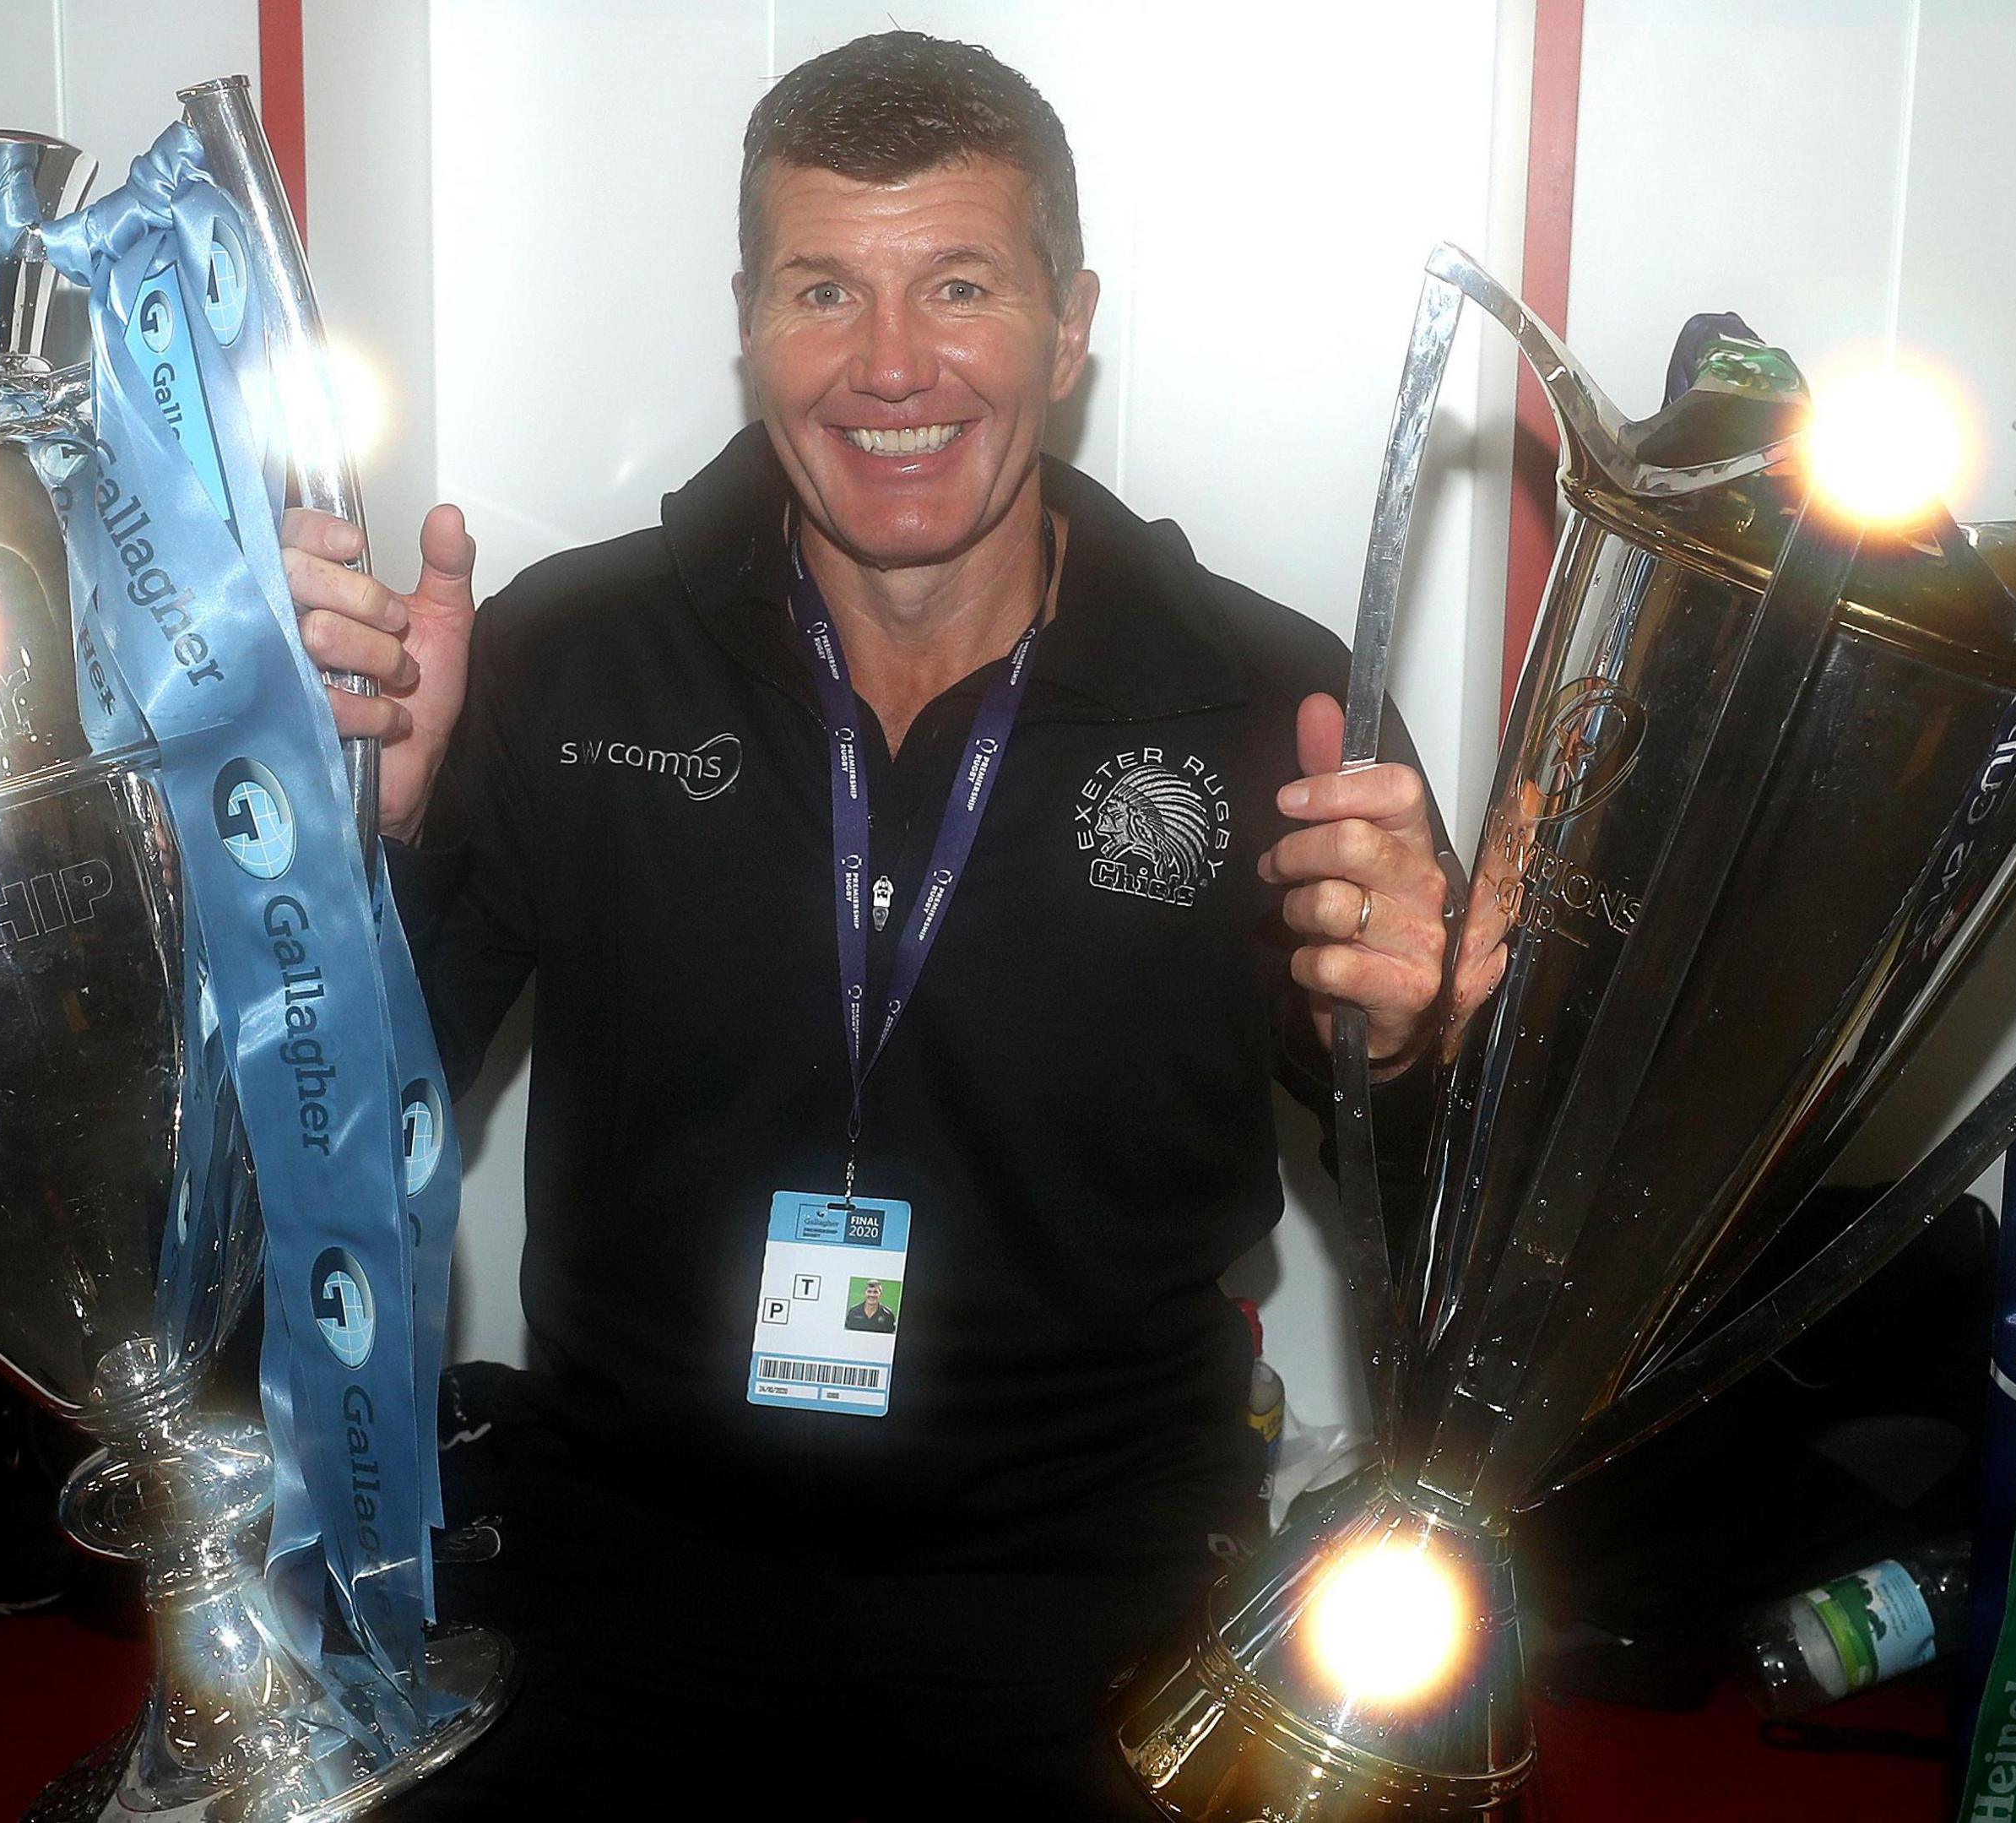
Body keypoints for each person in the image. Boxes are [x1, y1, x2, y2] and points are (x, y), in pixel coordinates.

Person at [285, 31, 1457, 1816]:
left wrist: (1433, 1037)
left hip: (1097, 1578)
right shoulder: (560, 657)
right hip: (624, 1557)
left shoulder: (1273, 704)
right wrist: (347, 862)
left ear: (1070, 326)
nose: (892, 364)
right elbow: (330, 1147)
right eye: (825, 288)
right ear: (747, 323)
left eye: (960, 286)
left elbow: (1436, 1225)